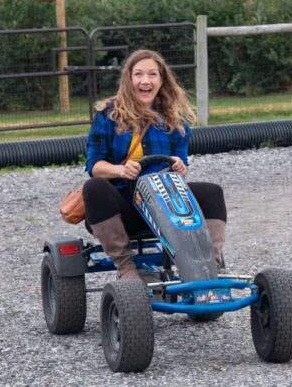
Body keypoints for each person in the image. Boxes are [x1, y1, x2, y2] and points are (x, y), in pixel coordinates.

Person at [83, 49, 227, 279]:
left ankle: (211, 268)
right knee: (94, 187)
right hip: (124, 208)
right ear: (129, 79)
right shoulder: (108, 115)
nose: (145, 81)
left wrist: (180, 166)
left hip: (163, 208)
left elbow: (181, 169)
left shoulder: (175, 122)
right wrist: (120, 169)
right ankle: (126, 267)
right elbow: (94, 165)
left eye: (152, 74)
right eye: (139, 74)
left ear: (161, 80)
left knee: (212, 192)